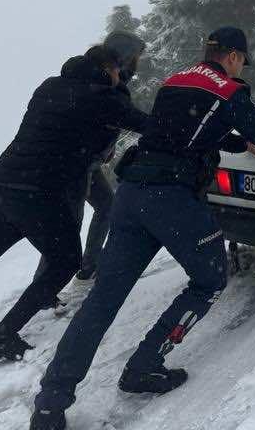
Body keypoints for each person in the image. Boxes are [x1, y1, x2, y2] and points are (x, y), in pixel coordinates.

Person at [30, 27, 255, 430]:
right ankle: (144, 365)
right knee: (209, 279)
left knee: (103, 299)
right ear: (235, 57)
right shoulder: (228, 90)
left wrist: (239, 145)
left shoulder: (175, 81)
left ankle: (51, 401)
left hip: (131, 194)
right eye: (242, 60)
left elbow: (184, 131)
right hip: (170, 199)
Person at [0, 45, 148, 372]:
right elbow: (146, 124)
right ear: (110, 69)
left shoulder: (50, 85)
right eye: (117, 72)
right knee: (65, 262)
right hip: (39, 198)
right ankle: (2, 336)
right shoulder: (103, 98)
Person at [34, 32, 147, 310]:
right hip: (74, 166)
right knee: (66, 227)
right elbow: (109, 116)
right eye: (135, 57)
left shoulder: (111, 80)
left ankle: (87, 269)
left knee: (106, 206)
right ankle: (44, 289)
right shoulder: (101, 83)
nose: (138, 63)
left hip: (89, 163)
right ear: (124, 57)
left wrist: (105, 149)